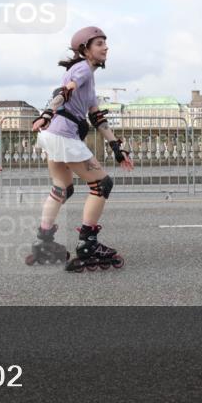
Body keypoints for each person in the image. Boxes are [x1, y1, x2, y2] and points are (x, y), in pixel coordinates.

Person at [27, 26, 135, 272]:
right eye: (99, 43)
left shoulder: (87, 76)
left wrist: (117, 148)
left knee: (62, 188)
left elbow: (97, 118)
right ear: (85, 49)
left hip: (54, 135)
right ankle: (89, 245)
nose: (106, 47)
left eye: (105, 42)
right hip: (63, 135)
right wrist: (46, 113)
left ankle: (44, 242)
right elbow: (64, 93)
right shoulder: (82, 68)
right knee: (102, 184)